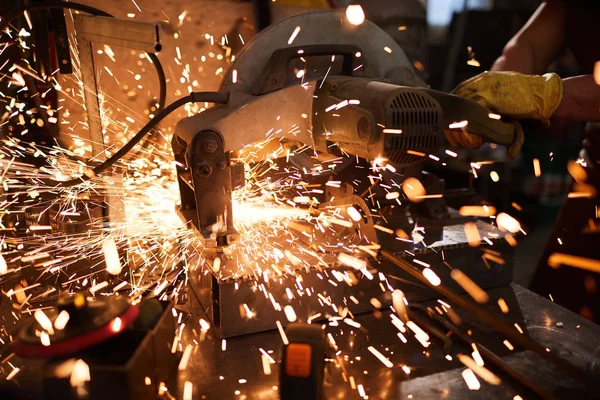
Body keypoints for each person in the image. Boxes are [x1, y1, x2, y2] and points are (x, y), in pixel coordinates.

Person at [444, 0, 600, 321]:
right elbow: (528, 45)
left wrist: (541, 95)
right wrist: (495, 94)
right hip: (597, 165)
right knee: (561, 310)